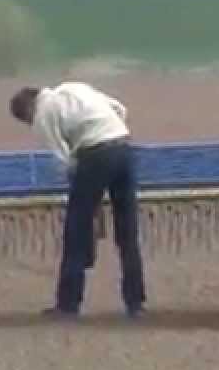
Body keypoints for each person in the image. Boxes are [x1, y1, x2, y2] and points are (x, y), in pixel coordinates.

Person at [9, 81, 147, 319]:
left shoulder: (43, 113)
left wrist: (80, 182)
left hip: (95, 154)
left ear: (29, 110)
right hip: (124, 148)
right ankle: (136, 304)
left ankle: (68, 304)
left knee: (75, 231)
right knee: (127, 232)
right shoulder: (74, 88)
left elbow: (62, 159)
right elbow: (120, 109)